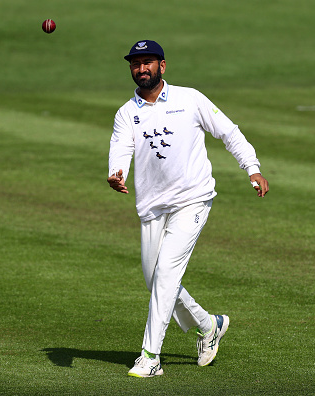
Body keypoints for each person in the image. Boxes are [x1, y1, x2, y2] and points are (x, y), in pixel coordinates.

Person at [107, 40, 269, 378]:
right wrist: (116, 171)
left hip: (193, 198)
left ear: (162, 66)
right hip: (151, 206)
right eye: (136, 64)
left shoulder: (189, 99)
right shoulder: (127, 113)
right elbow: (121, 148)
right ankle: (208, 325)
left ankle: (150, 358)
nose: (141, 69)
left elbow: (229, 132)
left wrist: (251, 166)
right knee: (156, 281)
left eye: (148, 62)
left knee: (166, 274)